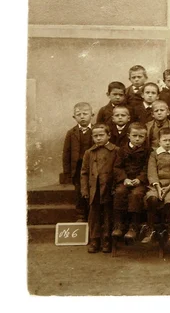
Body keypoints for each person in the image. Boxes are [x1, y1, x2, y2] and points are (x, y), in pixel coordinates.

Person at [80, 123, 119, 253]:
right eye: (95, 136)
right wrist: (85, 189)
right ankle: (95, 239)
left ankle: (107, 239)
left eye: (101, 135)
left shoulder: (115, 151)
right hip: (94, 189)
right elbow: (84, 173)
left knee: (108, 214)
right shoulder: (89, 153)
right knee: (94, 214)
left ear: (108, 135)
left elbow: (118, 170)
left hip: (108, 187)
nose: (98, 138)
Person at [142, 127, 170, 246]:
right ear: (159, 142)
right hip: (156, 186)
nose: (167, 143)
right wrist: (158, 187)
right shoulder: (154, 154)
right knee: (152, 198)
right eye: (164, 140)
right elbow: (152, 171)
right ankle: (150, 229)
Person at [111, 122, 150, 241]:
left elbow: (147, 168)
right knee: (120, 192)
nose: (137, 139)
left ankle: (133, 227)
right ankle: (119, 224)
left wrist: (140, 179)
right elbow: (117, 167)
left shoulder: (148, 151)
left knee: (136, 195)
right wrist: (124, 179)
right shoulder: (122, 150)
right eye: (135, 136)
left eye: (141, 136)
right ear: (129, 135)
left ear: (145, 137)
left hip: (140, 182)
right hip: (125, 180)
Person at [62, 102, 94, 222]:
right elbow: (66, 153)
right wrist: (67, 172)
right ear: (74, 117)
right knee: (80, 192)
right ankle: (81, 215)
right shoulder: (71, 133)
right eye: (78, 114)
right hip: (78, 167)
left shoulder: (97, 131)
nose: (82, 116)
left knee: (93, 191)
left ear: (92, 115)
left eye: (85, 114)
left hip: (93, 167)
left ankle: (93, 214)